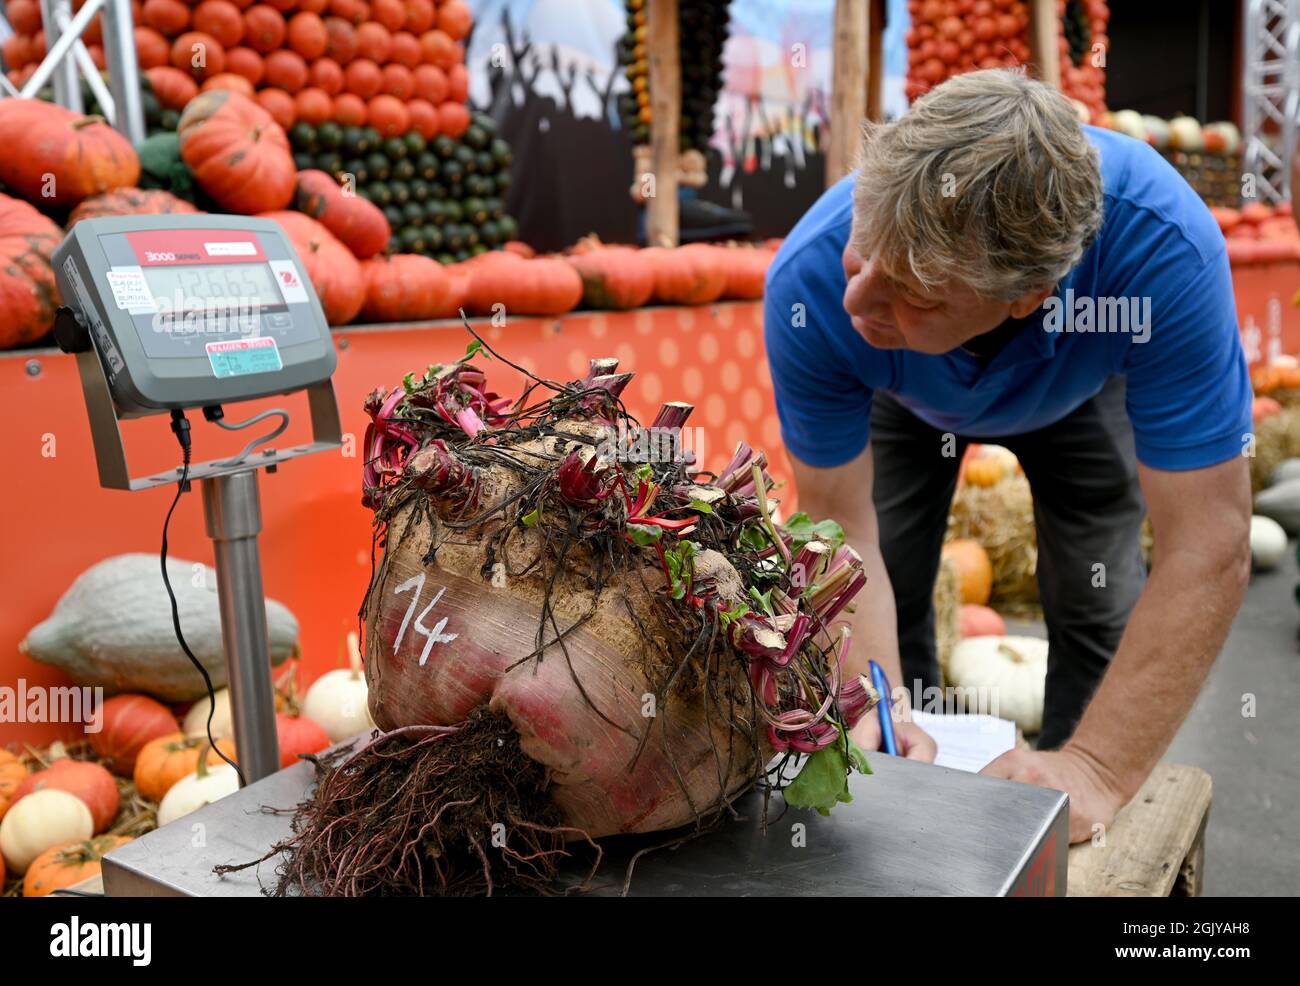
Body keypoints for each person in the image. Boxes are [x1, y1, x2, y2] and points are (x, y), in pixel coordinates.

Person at [763, 69, 1252, 844]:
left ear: (1031, 296)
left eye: (914, 291)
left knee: (1094, 586)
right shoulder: (814, 287)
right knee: (897, 563)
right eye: (863, 256)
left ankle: (1068, 781)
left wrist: (1098, 767)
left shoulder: (1166, 252)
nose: (856, 303)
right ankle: (909, 746)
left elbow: (1209, 545)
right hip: (905, 394)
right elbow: (840, 532)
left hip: (1081, 389)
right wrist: (875, 709)